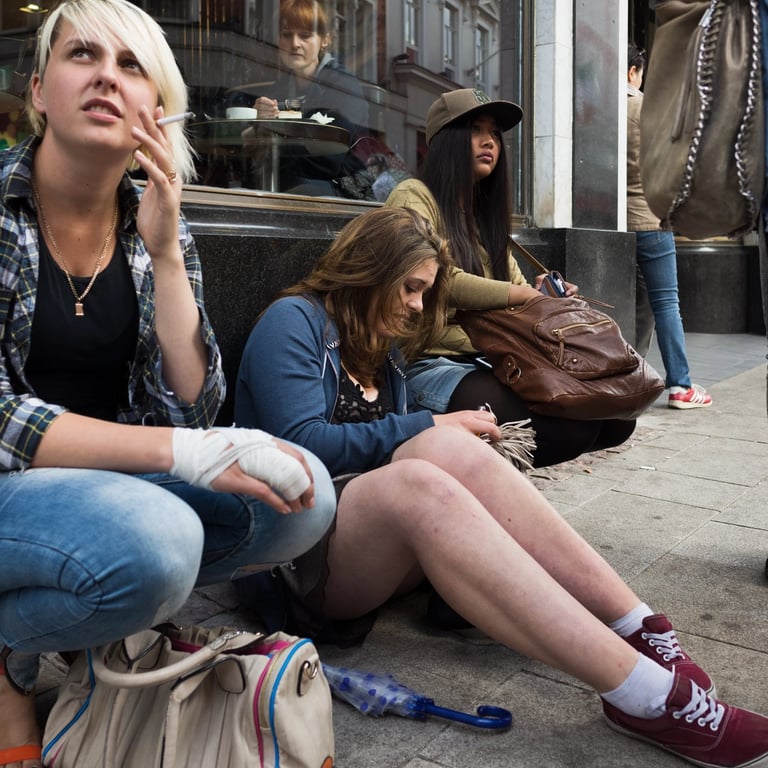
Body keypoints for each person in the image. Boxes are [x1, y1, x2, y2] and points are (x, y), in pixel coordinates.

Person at [234, 205, 768, 768]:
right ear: (368, 271)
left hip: (375, 544)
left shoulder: (379, 348)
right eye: (411, 289)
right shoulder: (292, 321)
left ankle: (637, 624)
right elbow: (298, 443)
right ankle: (644, 695)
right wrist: (427, 425)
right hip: (299, 560)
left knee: (447, 450)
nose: (418, 307)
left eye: (425, 292)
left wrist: (452, 445)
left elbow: (402, 445)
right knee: (423, 469)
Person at [0, 2, 336, 766]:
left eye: (131, 66)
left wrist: (165, 254)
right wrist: (186, 454)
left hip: (101, 484)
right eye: (83, 55)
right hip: (14, 480)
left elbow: (194, 403)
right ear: (41, 90)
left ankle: (78, 610)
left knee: (303, 494)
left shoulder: (154, 219)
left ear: (159, 109)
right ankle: (10, 659)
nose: (106, 79)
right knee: (160, 542)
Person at [384, 89, 636, 468]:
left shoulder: (483, 217)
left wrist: (546, 298)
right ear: (445, 141)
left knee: (615, 418)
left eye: (494, 133)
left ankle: (489, 484)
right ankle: (477, 490)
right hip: (428, 361)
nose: (489, 142)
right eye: (475, 130)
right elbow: (436, 278)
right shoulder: (413, 196)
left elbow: (516, 290)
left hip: (493, 356)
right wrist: (519, 294)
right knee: (565, 429)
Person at [626, 43, 712, 410]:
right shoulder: (647, 108)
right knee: (665, 302)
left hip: (612, 222)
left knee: (631, 302)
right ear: (633, 71)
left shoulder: (594, 111)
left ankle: (629, 377)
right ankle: (680, 385)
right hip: (651, 218)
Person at [242, 0, 369, 196]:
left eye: (305, 35)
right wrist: (259, 121)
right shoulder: (278, 90)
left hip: (342, 192)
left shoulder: (343, 85)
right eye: (287, 35)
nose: (294, 44)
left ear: (324, 40)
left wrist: (269, 135)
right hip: (290, 189)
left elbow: (329, 158)